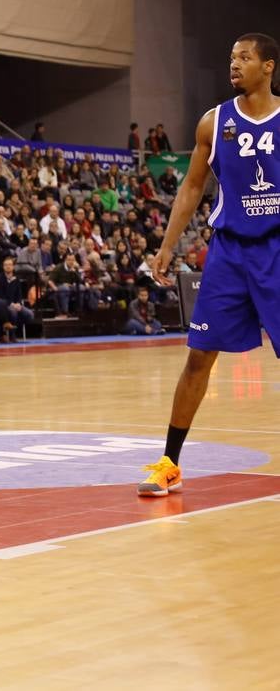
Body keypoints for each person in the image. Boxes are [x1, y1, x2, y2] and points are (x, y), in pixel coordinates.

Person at [138, 33, 280, 497]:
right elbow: (191, 189)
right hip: (229, 252)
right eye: (232, 58)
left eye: (245, 57)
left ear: (269, 66)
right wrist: (167, 246)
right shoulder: (213, 122)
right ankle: (169, 463)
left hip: (277, 250)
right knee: (199, 357)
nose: (235, 65)